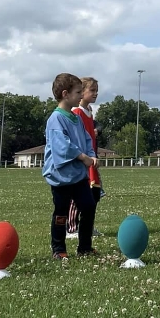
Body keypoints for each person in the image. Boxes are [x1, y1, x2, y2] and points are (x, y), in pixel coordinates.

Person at [43, 73, 99, 260]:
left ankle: (84, 247)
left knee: (89, 206)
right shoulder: (56, 119)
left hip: (78, 176)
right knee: (61, 213)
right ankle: (58, 249)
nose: (81, 95)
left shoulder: (76, 118)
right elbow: (62, 146)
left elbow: (86, 138)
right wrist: (83, 157)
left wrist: (91, 154)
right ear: (66, 94)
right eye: (78, 92)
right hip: (61, 177)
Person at [66, 77, 103, 239]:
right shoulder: (77, 112)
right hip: (81, 161)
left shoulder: (88, 112)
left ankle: (87, 227)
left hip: (91, 160)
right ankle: (72, 227)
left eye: (96, 90)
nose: (96, 93)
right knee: (77, 195)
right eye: (92, 90)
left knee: (93, 195)